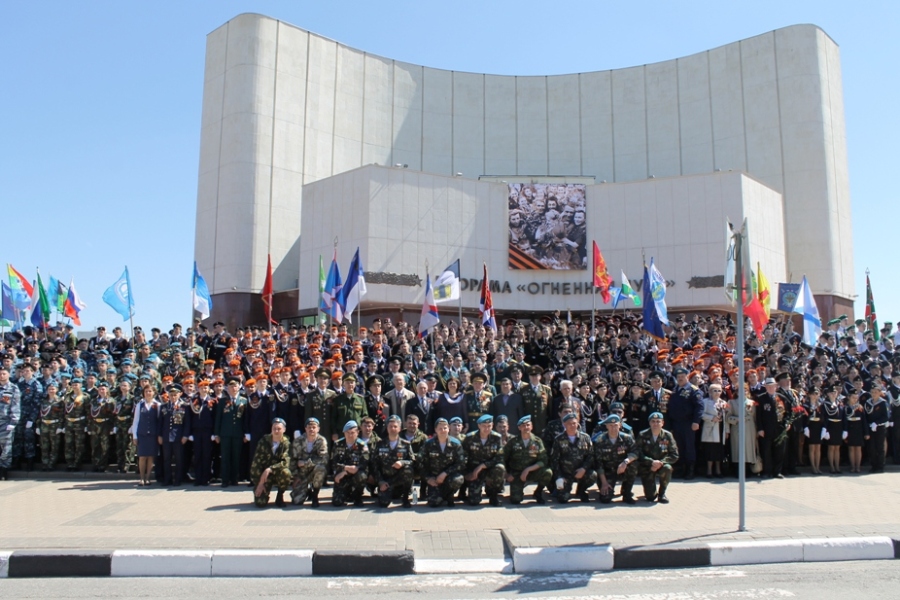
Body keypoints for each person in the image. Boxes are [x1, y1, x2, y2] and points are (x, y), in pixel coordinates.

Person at [503, 414, 552, 504]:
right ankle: (518, 489)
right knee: (515, 500)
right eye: (523, 425)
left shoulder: (537, 441)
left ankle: (538, 492)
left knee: (547, 472)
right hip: (516, 473)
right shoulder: (513, 442)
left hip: (532, 472)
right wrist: (506, 475)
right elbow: (502, 458)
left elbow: (543, 460)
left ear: (532, 426)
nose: (526, 427)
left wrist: (528, 469)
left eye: (528, 425)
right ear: (519, 428)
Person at [418, 417, 465, 507]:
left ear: (448, 428)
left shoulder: (456, 444)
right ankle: (440, 495)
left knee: (458, 479)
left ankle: (449, 495)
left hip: (449, 477)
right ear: (435, 430)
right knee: (433, 503)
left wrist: (445, 473)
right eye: (440, 428)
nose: (443, 430)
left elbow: (460, 463)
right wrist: (428, 478)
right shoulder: (428, 444)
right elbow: (420, 462)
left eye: (445, 428)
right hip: (434, 478)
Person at [371, 414, 416, 508]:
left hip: (399, 481)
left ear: (399, 428)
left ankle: (405, 498)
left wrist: (402, 462)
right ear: (387, 428)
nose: (393, 428)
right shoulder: (380, 444)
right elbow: (375, 465)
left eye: (395, 426)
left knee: (408, 469)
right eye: (390, 426)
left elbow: (412, 461)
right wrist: (380, 482)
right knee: (383, 504)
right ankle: (386, 493)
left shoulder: (406, 444)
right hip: (386, 481)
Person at [550, 412, 596, 503]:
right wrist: (559, 476)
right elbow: (554, 460)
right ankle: (565, 490)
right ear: (564, 424)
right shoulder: (559, 439)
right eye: (569, 424)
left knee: (593, 475)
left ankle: (581, 490)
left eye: (574, 423)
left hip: (581, 471)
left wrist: (583, 469)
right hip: (565, 474)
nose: (572, 426)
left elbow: (591, 455)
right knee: (562, 499)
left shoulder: (585, 437)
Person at [461, 414, 506, 506]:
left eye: (489, 426)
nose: (487, 428)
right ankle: (468, 490)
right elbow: (463, 457)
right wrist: (466, 473)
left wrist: (482, 466)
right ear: (479, 426)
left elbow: (499, 457)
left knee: (500, 468)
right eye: (484, 426)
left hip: (490, 469)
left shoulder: (497, 437)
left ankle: (493, 495)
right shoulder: (470, 437)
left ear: (492, 425)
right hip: (474, 471)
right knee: (474, 501)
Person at [593, 414, 639, 504]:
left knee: (633, 465)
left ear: (620, 425)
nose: (613, 428)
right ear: (606, 426)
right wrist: (604, 482)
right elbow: (598, 463)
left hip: (622, 468)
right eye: (610, 425)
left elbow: (635, 452)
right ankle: (607, 488)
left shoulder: (627, 438)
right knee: (605, 499)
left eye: (615, 425)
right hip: (607, 472)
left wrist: (625, 462)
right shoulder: (600, 440)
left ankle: (627, 493)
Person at [667, 368, 703, 479]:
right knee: (679, 447)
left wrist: (696, 421)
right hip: (677, 424)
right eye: (678, 377)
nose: (680, 378)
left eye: (682, 376)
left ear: (687, 377)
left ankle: (690, 470)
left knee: (689, 447)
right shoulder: (675, 390)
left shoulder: (693, 390)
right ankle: (681, 469)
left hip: (688, 423)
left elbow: (699, 407)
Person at [637, 411, 679, 503]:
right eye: (653, 421)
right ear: (649, 423)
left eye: (658, 421)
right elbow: (638, 453)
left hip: (661, 465)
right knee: (650, 498)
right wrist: (651, 462)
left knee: (668, 468)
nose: (655, 423)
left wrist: (661, 463)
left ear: (662, 423)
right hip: (647, 466)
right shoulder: (642, 435)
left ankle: (662, 493)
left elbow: (674, 455)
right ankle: (651, 492)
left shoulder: (668, 435)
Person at [250, 418, 292, 507]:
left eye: (279, 429)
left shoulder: (286, 443)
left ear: (284, 430)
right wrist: (259, 483)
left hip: (277, 473)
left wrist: (270, 469)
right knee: (260, 503)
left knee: (286, 473)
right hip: (263, 477)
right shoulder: (263, 441)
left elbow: (285, 462)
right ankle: (264, 493)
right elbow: (256, 464)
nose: (276, 431)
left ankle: (280, 496)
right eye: (274, 428)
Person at [214, 376, 247, 488]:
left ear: (239, 387)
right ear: (227, 388)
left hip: (238, 434)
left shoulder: (244, 400)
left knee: (236, 457)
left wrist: (246, 433)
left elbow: (245, 419)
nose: (233, 388)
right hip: (225, 433)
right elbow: (218, 418)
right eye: (231, 386)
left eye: (235, 386)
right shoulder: (222, 401)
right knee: (225, 457)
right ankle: (225, 480)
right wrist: (216, 434)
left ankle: (234, 479)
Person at [290, 417, 329, 507]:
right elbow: (293, 460)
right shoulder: (298, 441)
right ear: (305, 428)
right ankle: (307, 491)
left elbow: (323, 459)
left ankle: (315, 495)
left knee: (321, 469)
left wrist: (306, 463)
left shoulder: (321, 441)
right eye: (309, 427)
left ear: (318, 429)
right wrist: (295, 477)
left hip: (314, 471)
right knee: (297, 501)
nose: (311, 429)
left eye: (314, 427)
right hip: (302, 474)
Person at [330, 420, 369, 507]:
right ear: (344, 433)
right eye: (348, 433)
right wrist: (345, 470)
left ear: (357, 432)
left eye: (352, 432)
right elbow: (334, 463)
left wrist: (353, 468)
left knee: (362, 475)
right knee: (337, 502)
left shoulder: (362, 445)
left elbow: (365, 463)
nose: (350, 435)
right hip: (341, 475)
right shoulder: (337, 444)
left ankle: (358, 497)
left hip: (355, 475)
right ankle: (346, 493)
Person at [132, 385, 161, 487]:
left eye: (150, 391)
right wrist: (135, 436)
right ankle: (141, 478)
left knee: (150, 457)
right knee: (142, 457)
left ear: (154, 393)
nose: (148, 393)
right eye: (146, 391)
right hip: (142, 434)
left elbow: (159, 421)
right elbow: (136, 421)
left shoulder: (157, 405)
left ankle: (148, 478)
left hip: (153, 435)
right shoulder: (139, 405)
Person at [87, 381, 116, 473]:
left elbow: (113, 415)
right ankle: (96, 464)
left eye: (103, 388)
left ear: (107, 390)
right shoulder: (93, 401)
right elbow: (90, 414)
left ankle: (103, 465)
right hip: (95, 425)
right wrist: (89, 426)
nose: (101, 390)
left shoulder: (111, 401)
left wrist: (112, 427)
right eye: (100, 389)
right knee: (95, 446)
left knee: (104, 446)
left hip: (105, 425)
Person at [700, 384, 728, 478]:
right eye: (715, 390)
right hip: (710, 428)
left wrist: (727, 431)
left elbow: (726, 418)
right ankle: (709, 471)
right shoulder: (705, 402)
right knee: (710, 450)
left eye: (719, 391)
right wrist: (712, 418)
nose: (717, 393)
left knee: (719, 451)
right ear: (710, 392)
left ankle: (718, 470)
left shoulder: (723, 402)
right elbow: (701, 414)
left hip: (720, 429)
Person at [0, 364, 22, 480]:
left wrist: (13, 422)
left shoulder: (13, 388)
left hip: (6, 422)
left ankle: (4, 470)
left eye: (4, 373)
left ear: (8, 374)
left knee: (6, 448)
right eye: (0, 374)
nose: (1, 376)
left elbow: (16, 406)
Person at [37, 381, 64, 471]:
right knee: (44, 446)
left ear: (57, 390)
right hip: (44, 425)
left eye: (53, 389)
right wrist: (38, 426)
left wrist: (60, 426)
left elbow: (62, 415)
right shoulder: (44, 400)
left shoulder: (60, 401)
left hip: (54, 425)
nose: (51, 390)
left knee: (54, 446)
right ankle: (45, 464)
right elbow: (40, 414)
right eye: (49, 389)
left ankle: (51, 464)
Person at [864, 385, 889, 473]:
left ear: (879, 393)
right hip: (870, 428)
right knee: (871, 448)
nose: (874, 394)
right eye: (872, 392)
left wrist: (876, 423)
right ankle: (873, 466)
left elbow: (886, 417)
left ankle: (880, 466)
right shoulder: (868, 402)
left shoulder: (883, 403)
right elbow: (866, 416)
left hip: (880, 427)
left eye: (876, 392)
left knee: (879, 447)